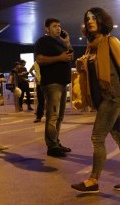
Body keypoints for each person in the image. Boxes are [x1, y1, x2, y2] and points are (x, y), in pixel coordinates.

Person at [71, 7, 120, 194]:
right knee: (119, 136)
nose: (90, 21)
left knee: (97, 137)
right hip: (101, 98)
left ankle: (93, 180)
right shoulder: (91, 46)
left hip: (112, 95)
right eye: (87, 19)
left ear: (102, 20)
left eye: (94, 18)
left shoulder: (111, 41)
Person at [34, 18, 73, 158]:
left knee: (60, 116)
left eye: (59, 26)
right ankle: (51, 146)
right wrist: (59, 58)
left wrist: (67, 42)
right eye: (55, 26)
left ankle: (56, 141)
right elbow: (40, 59)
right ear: (46, 29)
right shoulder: (42, 42)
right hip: (52, 83)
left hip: (62, 83)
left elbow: (70, 57)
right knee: (53, 115)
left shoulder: (60, 43)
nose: (58, 28)